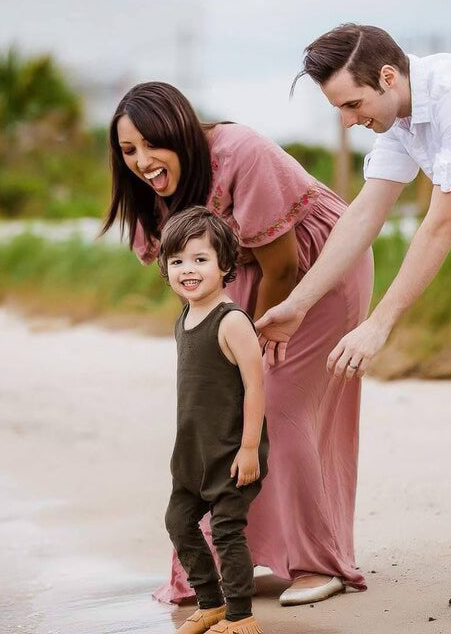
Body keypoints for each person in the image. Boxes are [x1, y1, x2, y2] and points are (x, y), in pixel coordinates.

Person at [256, 23, 451, 616]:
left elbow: (442, 224)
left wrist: (378, 323)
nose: (349, 120)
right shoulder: (401, 120)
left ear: (389, 77)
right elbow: (362, 216)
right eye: (339, 110)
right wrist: (297, 306)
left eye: (353, 104)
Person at [102, 81, 373, 606]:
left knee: (279, 405)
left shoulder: (239, 152)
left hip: (316, 264)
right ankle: (234, 556)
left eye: (151, 144)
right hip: (246, 272)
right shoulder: (155, 188)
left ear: (180, 130)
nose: (141, 161)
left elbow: (283, 264)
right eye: (127, 150)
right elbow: (189, 275)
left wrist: (242, 348)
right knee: (228, 412)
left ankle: (319, 563)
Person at [158, 206, 267, 634]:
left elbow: (256, 387)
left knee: (225, 529)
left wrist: (250, 447)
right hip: (193, 450)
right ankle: (211, 602)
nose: (188, 269)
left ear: (225, 265)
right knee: (178, 521)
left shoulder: (232, 320)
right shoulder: (184, 318)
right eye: (177, 260)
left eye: (200, 259)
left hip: (232, 448)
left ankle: (241, 615)